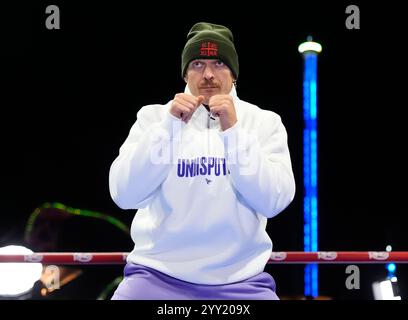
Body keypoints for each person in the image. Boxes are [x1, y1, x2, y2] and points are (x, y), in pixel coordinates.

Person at [109, 22, 296, 300]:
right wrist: (168, 128)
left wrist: (234, 132)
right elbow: (124, 194)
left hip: (241, 281)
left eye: (219, 62)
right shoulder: (153, 118)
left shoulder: (263, 122)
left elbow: (274, 201)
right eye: (197, 63)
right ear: (185, 72)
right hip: (156, 277)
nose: (208, 74)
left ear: (234, 73)